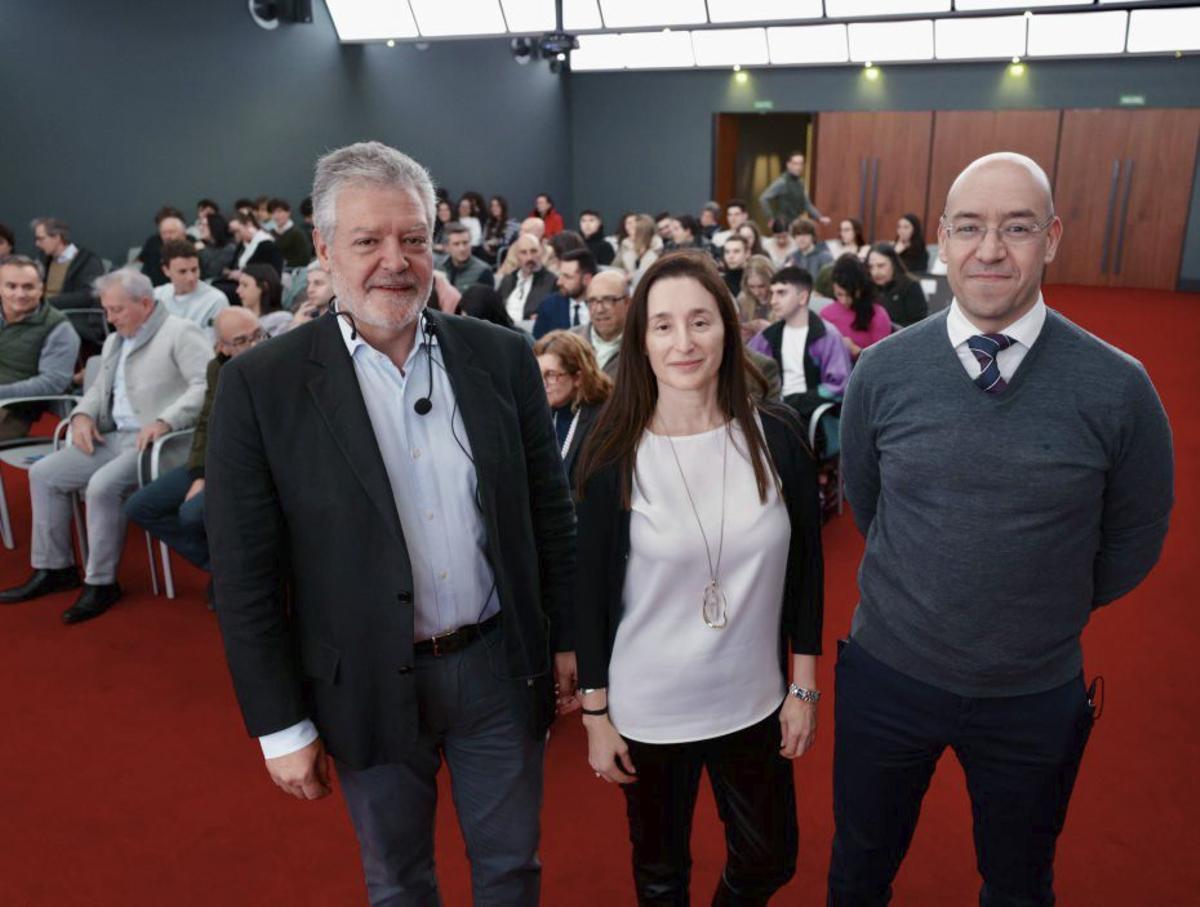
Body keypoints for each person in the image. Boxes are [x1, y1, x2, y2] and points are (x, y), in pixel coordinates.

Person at [204, 141, 576, 907]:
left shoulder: (503, 359)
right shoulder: (261, 387)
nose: (394, 261)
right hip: (364, 682)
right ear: (325, 248)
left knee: (511, 869)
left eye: (413, 238)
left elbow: (551, 516)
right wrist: (281, 727)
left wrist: (568, 638)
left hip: (497, 671)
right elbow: (243, 577)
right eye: (368, 240)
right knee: (398, 882)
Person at [828, 152, 1175, 907]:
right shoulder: (883, 371)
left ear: (1050, 238)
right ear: (943, 240)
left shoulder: (1120, 387)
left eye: (1016, 228)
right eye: (971, 228)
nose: (991, 250)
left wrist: (1044, 606)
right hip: (888, 676)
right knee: (857, 873)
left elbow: (1137, 532)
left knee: (1019, 884)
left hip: (1033, 692)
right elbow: (866, 499)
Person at [573, 250, 824, 906]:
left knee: (770, 856)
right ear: (641, 341)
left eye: (699, 321)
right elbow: (591, 595)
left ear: (728, 328)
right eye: (662, 325)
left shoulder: (779, 437)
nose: (682, 342)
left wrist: (805, 685)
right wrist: (595, 712)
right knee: (661, 876)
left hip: (753, 699)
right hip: (649, 708)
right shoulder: (611, 454)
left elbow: (806, 569)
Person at [0, 269, 209, 622]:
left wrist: (167, 419)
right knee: (44, 473)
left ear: (144, 303)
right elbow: (97, 392)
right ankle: (55, 568)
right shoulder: (116, 339)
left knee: (101, 487)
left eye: (116, 310)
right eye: (107, 310)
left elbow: (205, 384)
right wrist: (81, 417)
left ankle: (101, 582)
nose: (109, 319)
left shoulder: (180, 331)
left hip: (157, 444)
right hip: (113, 438)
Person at [123, 307, 265, 601]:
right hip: (214, 460)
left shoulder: (276, 362)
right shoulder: (218, 368)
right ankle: (227, 571)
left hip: (254, 465)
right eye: (241, 341)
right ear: (221, 347)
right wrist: (201, 474)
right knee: (140, 506)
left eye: (257, 335)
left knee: (191, 514)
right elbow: (206, 423)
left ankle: (236, 575)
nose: (255, 345)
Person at [747, 266, 851, 432]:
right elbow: (746, 364)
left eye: (781, 293)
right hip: (772, 410)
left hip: (812, 418)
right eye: (772, 293)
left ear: (802, 297)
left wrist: (797, 401)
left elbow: (839, 386)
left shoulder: (826, 336)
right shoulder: (768, 337)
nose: (773, 300)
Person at [0, 255, 81, 441]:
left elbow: (52, 383)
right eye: (11, 286)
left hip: (17, 410)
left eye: (28, 287)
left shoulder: (59, 328)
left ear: (41, 289)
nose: (20, 294)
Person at [533, 330, 612, 484]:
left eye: (551, 375)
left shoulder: (605, 419)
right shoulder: (543, 414)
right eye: (538, 374)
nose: (542, 383)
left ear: (578, 377)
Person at [32, 217, 106, 343]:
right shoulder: (44, 260)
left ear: (57, 237)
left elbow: (88, 295)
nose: (37, 244)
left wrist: (46, 303)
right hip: (44, 311)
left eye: (41, 239)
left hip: (71, 316)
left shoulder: (87, 261)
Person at [821, 254, 891, 360]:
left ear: (860, 288)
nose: (844, 300)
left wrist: (856, 351)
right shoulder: (826, 314)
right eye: (839, 294)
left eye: (850, 295)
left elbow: (883, 360)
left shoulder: (877, 315)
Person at [154, 239, 229, 329]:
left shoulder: (215, 300)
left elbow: (212, 341)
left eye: (194, 270)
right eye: (182, 272)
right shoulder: (157, 296)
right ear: (166, 270)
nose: (191, 278)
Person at [573, 269, 629, 379]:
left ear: (628, 302)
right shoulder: (571, 341)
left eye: (608, 300)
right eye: (592, 301)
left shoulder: (644, 346)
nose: (599, 309)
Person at [533, 248, 595, 339]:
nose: (559, 282)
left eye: (567, 277)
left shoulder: (600, 307)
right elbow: (537, 346)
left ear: (587, 279)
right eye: (560, 275)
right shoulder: (549, 306)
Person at [497, 233, 558, 325]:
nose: (529, 257)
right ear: (517, 256)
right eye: (524, 253)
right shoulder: (508, 279)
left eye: (533, 251)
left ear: (540, 252)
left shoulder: (552, 281)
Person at [759, 151, 830, 227]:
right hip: (783, 225)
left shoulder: (800, 183)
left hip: (796, 224)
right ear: (788, 165)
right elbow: (763, 198)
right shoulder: (782, 182)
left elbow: (806, 204)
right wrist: (770, 218)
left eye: (801, 164)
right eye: (795, 164)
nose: (798, 167)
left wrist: (819, 217)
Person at [867, 242, 929, 327]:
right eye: (871, 267)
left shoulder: (910, 286)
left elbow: (919, 324)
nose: (875, 272)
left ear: (893, 264)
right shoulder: (868, 287)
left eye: (881, 266)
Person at [136, 207, 189, 288]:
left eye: (171, 231)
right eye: (164, 232)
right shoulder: (153, 242)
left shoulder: (191, 241)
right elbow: (140, 260)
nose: (168, 236)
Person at [236, 263, 290, 338]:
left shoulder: (281, 320)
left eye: (245, 285)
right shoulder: (238, 319)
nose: (238, 290)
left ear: (264, 287)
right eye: (239, 285)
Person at [227, 212, 284, 277]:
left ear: (249, 224)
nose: (236, 235)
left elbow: (272, 273)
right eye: (233, 233)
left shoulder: (267, 244)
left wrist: (241, 273)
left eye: (237, 231)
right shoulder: (242, 245)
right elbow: (232, 266)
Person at [441, 222, 494, 292]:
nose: (462, 248)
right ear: (446, 247)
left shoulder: (483, 271)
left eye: (465, 243)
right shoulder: (439, 268)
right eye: (456, 244)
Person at [267, 198, 313, 268]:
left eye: (279, 212)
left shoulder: (297, 233)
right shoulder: (270, 234)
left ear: (288, 212)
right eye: (273, 213)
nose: (276, 216)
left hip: (294, 271)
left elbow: (305, 258)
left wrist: (283, 263)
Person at [287, 261, 335, 329]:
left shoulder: (347, 321)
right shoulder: (304, 316)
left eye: (318, 283)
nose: (310, 290)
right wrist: (295, 325)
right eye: (308, 283)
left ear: (336, 285)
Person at [736, 254, 775, 336]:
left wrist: (769, 328)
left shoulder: (783, 299)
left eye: (761, 286)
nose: (756, 292)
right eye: (751, 287)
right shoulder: (743, 299)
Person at [616, 214, 661, 280]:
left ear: (643, 233)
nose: (629, 231)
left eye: (634, 228)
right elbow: (614, 267)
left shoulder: (655, 250)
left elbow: (645, 276)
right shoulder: (627, 245)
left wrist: (632, 276)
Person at [482, 195, 519, 264]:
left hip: (503, 253)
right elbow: (483, 238)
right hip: (487, 251)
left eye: (497, 206)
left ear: (503, 207)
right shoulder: (488, 223)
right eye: (492, 206)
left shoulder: (511, 223)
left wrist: (495, 241)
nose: (494, 208)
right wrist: (485, 244)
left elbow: (506, 242)